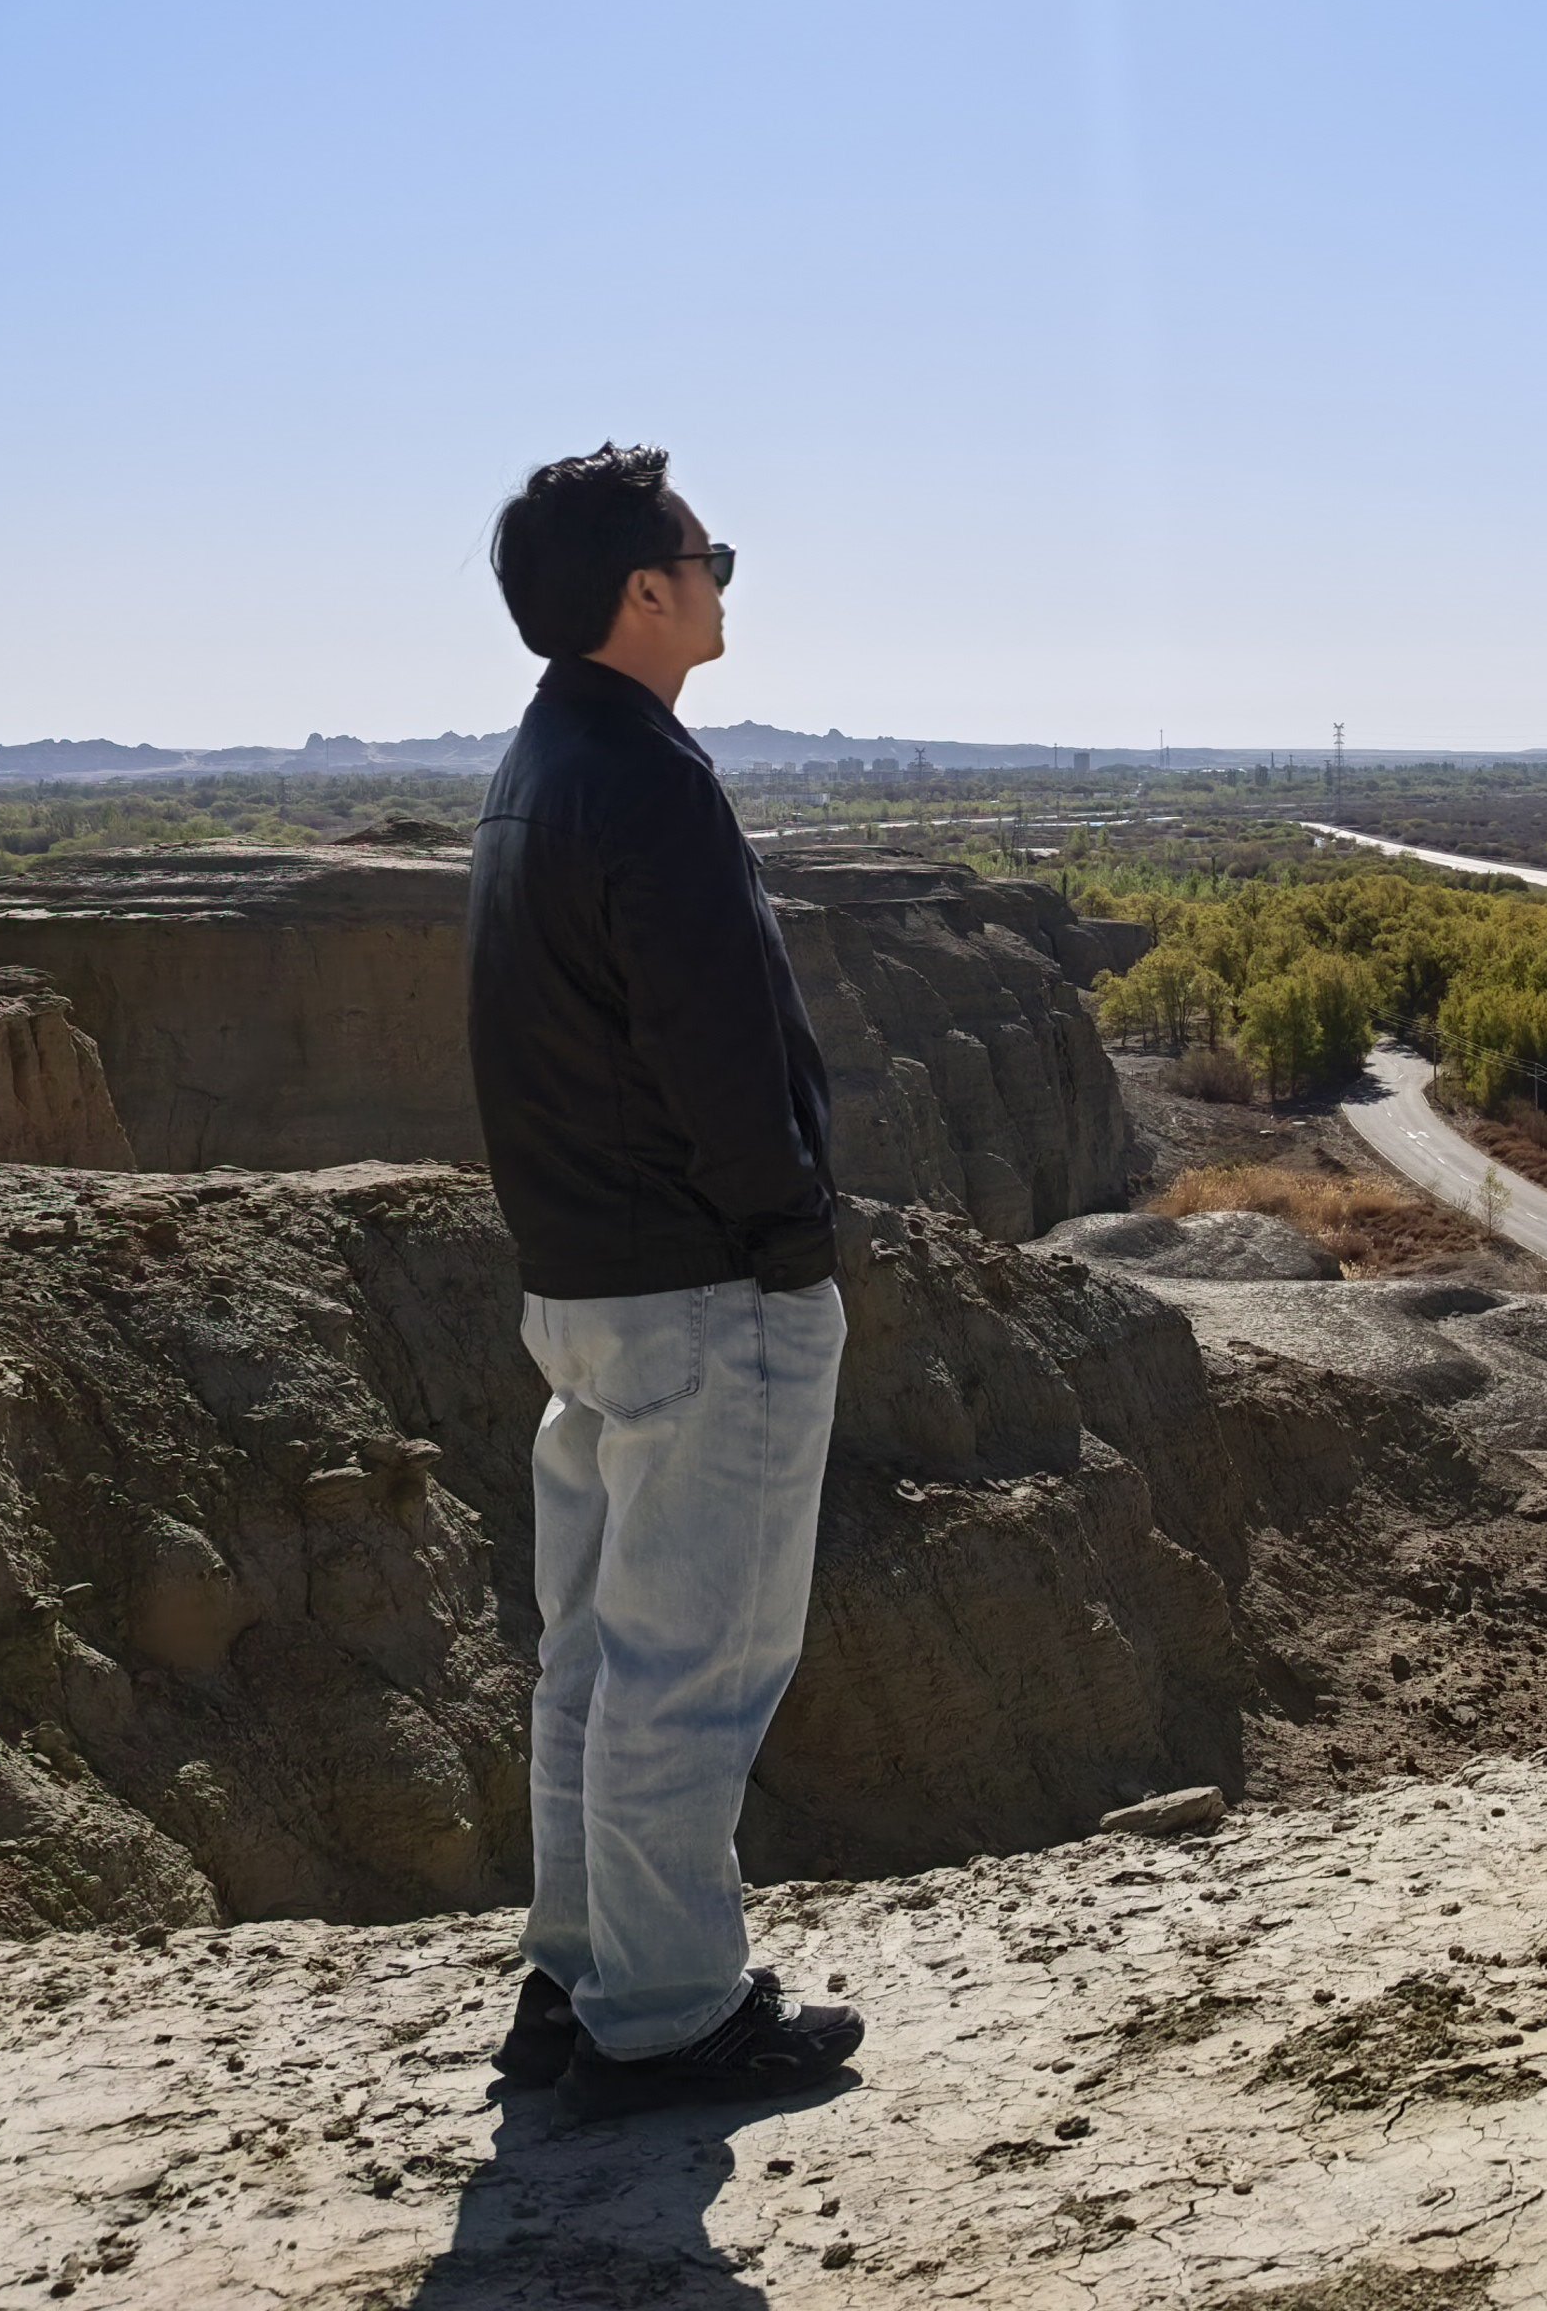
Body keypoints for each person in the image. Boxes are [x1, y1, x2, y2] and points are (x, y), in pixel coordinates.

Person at [466, 443, 864, 2113]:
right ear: (649, 589)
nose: (719, 579)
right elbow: (712, 1049)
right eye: (709, 556)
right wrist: (787, 1238)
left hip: (585, 1281)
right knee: (691, 1671)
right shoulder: (646, 776)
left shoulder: (544, 764)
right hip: (700, 1287)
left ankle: (581, 1980)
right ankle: (672, 2016)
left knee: (597, 1662)